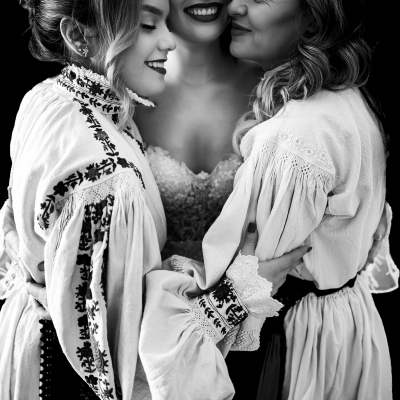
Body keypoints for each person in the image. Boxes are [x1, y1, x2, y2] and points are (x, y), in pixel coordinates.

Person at [0, 0, 307, 399]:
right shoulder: (111, 177)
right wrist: (238, 294)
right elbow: (130, 367)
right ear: (77, 35)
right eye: (148, 24)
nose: (168, 41)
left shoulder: (52, 99)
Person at [136, 0, 398, 399]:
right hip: (341, 333)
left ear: (312, 17)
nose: (235, 5)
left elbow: (251, 289)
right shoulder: (342, 100)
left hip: (290, 348)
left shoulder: (291, 140)